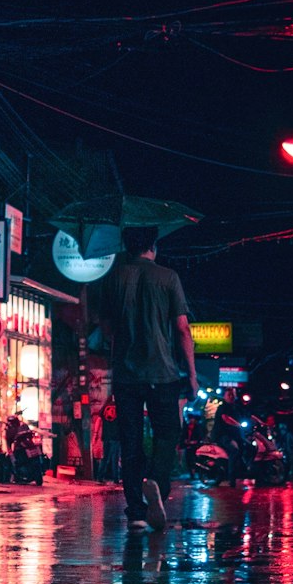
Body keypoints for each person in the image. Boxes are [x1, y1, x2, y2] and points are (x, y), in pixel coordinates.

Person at [98, 224, 197, 531]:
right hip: (163, 372)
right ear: (153, 245)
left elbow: (105, 327)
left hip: (126, 375)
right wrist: (192, 374)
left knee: (130, 440)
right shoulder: (168, 278)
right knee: (168, 432)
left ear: (127, 246)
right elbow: (182, 328)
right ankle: (156, 480)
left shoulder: (113, 277)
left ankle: (137, 512)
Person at [213, 387, 248, 486]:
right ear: (224, 396)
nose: (231, 396)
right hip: (223, 436)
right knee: (234, 450)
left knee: (249, 446)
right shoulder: (223, 407)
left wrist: (260, 422)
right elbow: (226, 418)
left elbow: (247, 416)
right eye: (229, 394)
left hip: (235, 436)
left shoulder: (237, 407)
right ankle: (231, 479)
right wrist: (238, 424)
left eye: (233, 394)